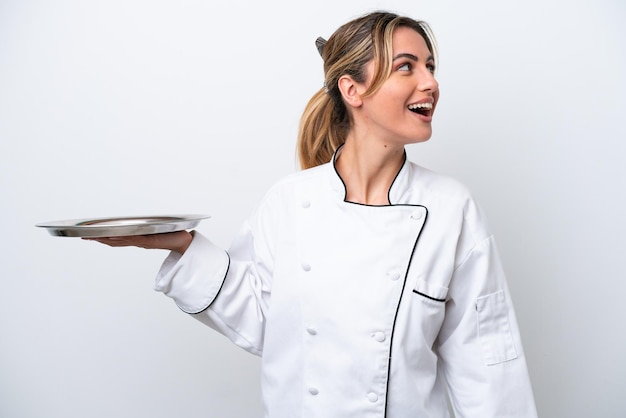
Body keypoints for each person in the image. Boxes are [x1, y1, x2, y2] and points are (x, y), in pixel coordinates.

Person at [89, 10, 538, 417]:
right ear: (352, 89)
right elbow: (266, 321)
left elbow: (489, 363)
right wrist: (184, 247)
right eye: (408, 66)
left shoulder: (450, 208)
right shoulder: (290, 201)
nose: (430, 82)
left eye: (430, 66)